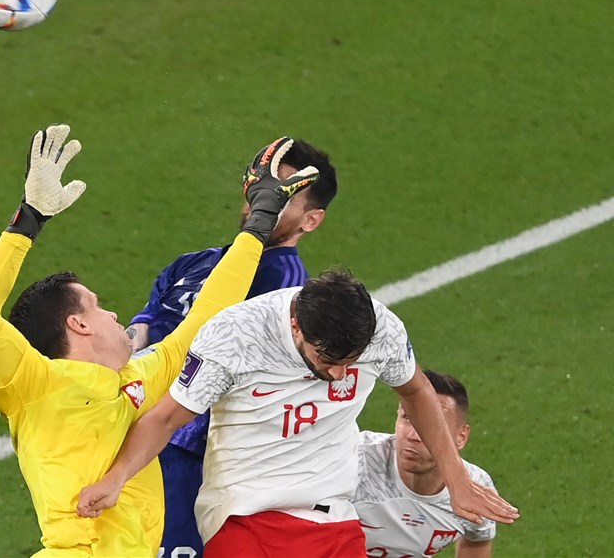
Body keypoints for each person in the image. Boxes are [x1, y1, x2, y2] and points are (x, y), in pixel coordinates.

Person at [0, 125, 318, 557]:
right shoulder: (31, 384)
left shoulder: (142, 376)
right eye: (96, 306)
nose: (112, 314)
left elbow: (208, 313)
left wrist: (259, 224)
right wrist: (28, 219)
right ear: (78, 325)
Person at [77, 272, 519, 557]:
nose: (341, 374)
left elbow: (416, 389)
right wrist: (115, 479)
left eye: (352, 360)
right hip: (246, 514)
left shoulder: (381, 330)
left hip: (335, 516)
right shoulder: (236, 336)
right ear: (296, 327)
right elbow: (166, 418)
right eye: (327, 358)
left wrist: (456, 477)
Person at [126, 139, 337, 558]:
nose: (267, 200)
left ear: (310, 220)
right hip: (130, 431)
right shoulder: (191, 264)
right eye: (266, 188)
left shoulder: (289, 292)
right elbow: (142, 331)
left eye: (284, 197)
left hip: (189, 451)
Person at [353, 370, 496, 558]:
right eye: (407, 419)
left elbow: (478, 539)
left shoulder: (475, 489)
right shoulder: (355, 459)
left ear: (461, 437)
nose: (413, 436)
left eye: (432, 426)